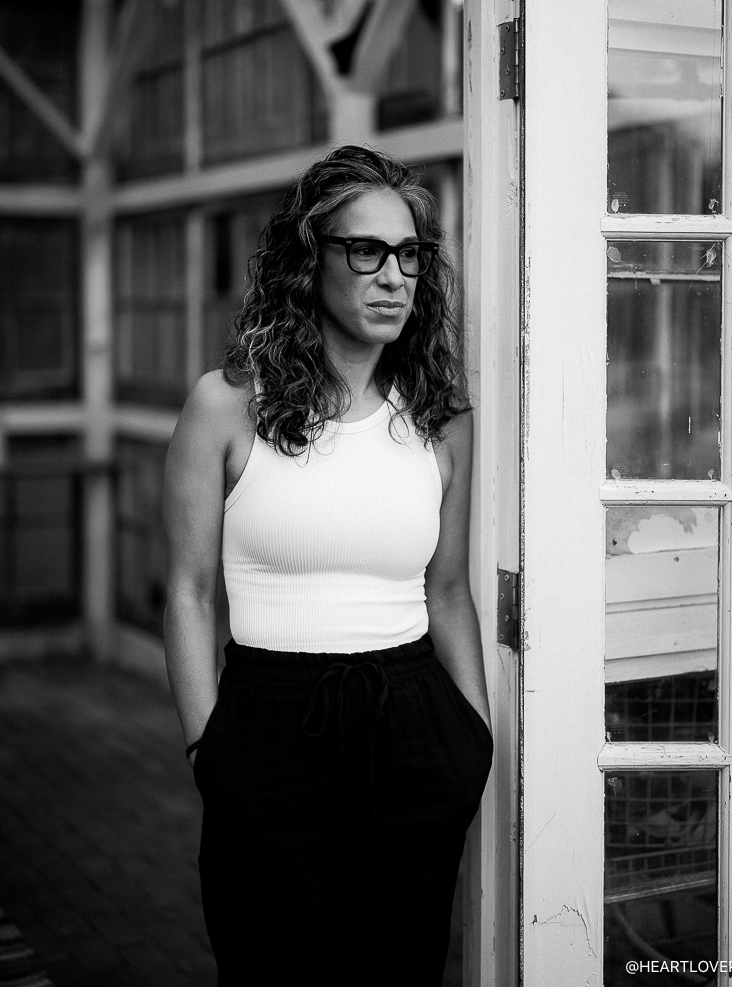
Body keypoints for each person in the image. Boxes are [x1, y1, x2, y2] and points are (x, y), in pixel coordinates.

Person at [163, 145, 492, 987]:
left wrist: (472, 740)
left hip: (415, 726)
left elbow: (448, 590)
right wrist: (208, 749)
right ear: (310, 260)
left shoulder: (441, 421)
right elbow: (190, 592)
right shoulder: (225, 406)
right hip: (271, 727)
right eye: (367, 250)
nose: (394, 276)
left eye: (410, 254)